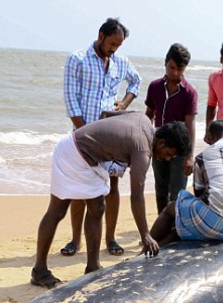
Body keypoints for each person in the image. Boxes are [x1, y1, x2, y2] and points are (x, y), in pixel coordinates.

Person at [31, 113, 191, 288]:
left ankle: (92, 267)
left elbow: (107, 115)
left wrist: (103, 141)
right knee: (58, 210)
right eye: (168, 154)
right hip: (75, 155)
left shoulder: (144, 120)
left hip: (80, 150)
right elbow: (137, 196)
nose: (167, 158)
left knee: (97, 208)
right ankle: (40, 271)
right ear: (161, 143)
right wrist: (146, 235)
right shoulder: (143, 151)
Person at [63, 17, 141, 257]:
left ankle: (110, 238)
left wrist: (124, 103)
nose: (114, 48)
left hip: (110, 136)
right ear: (101, 35)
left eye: (118, 45)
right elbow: (70, 100)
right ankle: (75, 240)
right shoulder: (77, 59)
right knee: (80, 189)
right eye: (112, 43)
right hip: (82, 136)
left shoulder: (121, 62)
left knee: (112, 186)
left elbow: (136, 82)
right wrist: (85, 132)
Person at [144, 119, 223, 251]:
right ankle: (156, 248)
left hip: (210, 223)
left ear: (210, 136)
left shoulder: (202, 157)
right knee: (185, 225)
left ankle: (145, 249)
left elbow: (199, 195)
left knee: (172, 207)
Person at [145, 43, 198, 213]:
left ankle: (176, 228)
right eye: (172, 67)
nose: (175, 72)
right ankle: (162, 226)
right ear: (166, 63)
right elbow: (149, 115)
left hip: (179, 149)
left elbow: (190, 124)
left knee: (177, 193)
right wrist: (144, 143)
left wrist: (190, 155)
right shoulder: (154, 87)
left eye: (179, 69)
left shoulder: (189, 92)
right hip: (158, 146)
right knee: (160, 190)